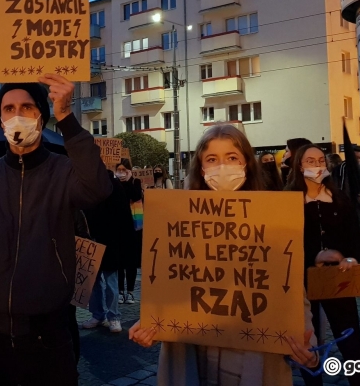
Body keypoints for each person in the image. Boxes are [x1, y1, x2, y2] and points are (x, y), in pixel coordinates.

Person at [0, 74, 112, 386]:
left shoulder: (63, 172)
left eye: (27, 107)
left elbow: (98, 188)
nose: (17, 115)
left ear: (42, 115)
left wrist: (66, 116)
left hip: (49, 337)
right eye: (8, 108)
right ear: (0, 118)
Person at [129, 124, 320, 386]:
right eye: (212, 159)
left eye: (232, 158)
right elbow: (172, 284)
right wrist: (152, 323)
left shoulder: (274, 221)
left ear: (247, 165)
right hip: (193, 365)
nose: (222, 167)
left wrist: (308, 352)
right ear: (201, 168)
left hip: (255, 367)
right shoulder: (176, 224)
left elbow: (290, 291)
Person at [285, 145, 360, 386]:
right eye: (310, 161)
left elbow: (355, 235)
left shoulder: (339, 198)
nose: (317, 165)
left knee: (351, 340)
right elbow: (283, 245)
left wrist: (352, 258)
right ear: (300, 166)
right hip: (302, 283)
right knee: (307, 342)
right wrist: (314, 256)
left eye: (321, 160)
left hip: (338, 280)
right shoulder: (287, 200)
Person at [81, 171, 134, 333]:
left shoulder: (113, 185)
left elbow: (123, 212)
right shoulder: (85, 184)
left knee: (110, 280)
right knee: (93, 281)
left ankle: (114, 316)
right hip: (90, 238)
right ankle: (98, 314)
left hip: (109, 239)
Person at [115, 158, 143, 305]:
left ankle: (130, 292)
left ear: (129, 171)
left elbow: (136, 196)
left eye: (123, 170)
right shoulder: (114, 184)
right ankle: (120, 291)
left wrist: (130, 179)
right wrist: (119, 182)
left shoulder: (135, 182)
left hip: (134, 226)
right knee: (119, 261)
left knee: (131, 261)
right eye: (118, 170)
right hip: (119, 226)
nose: (121, 173)